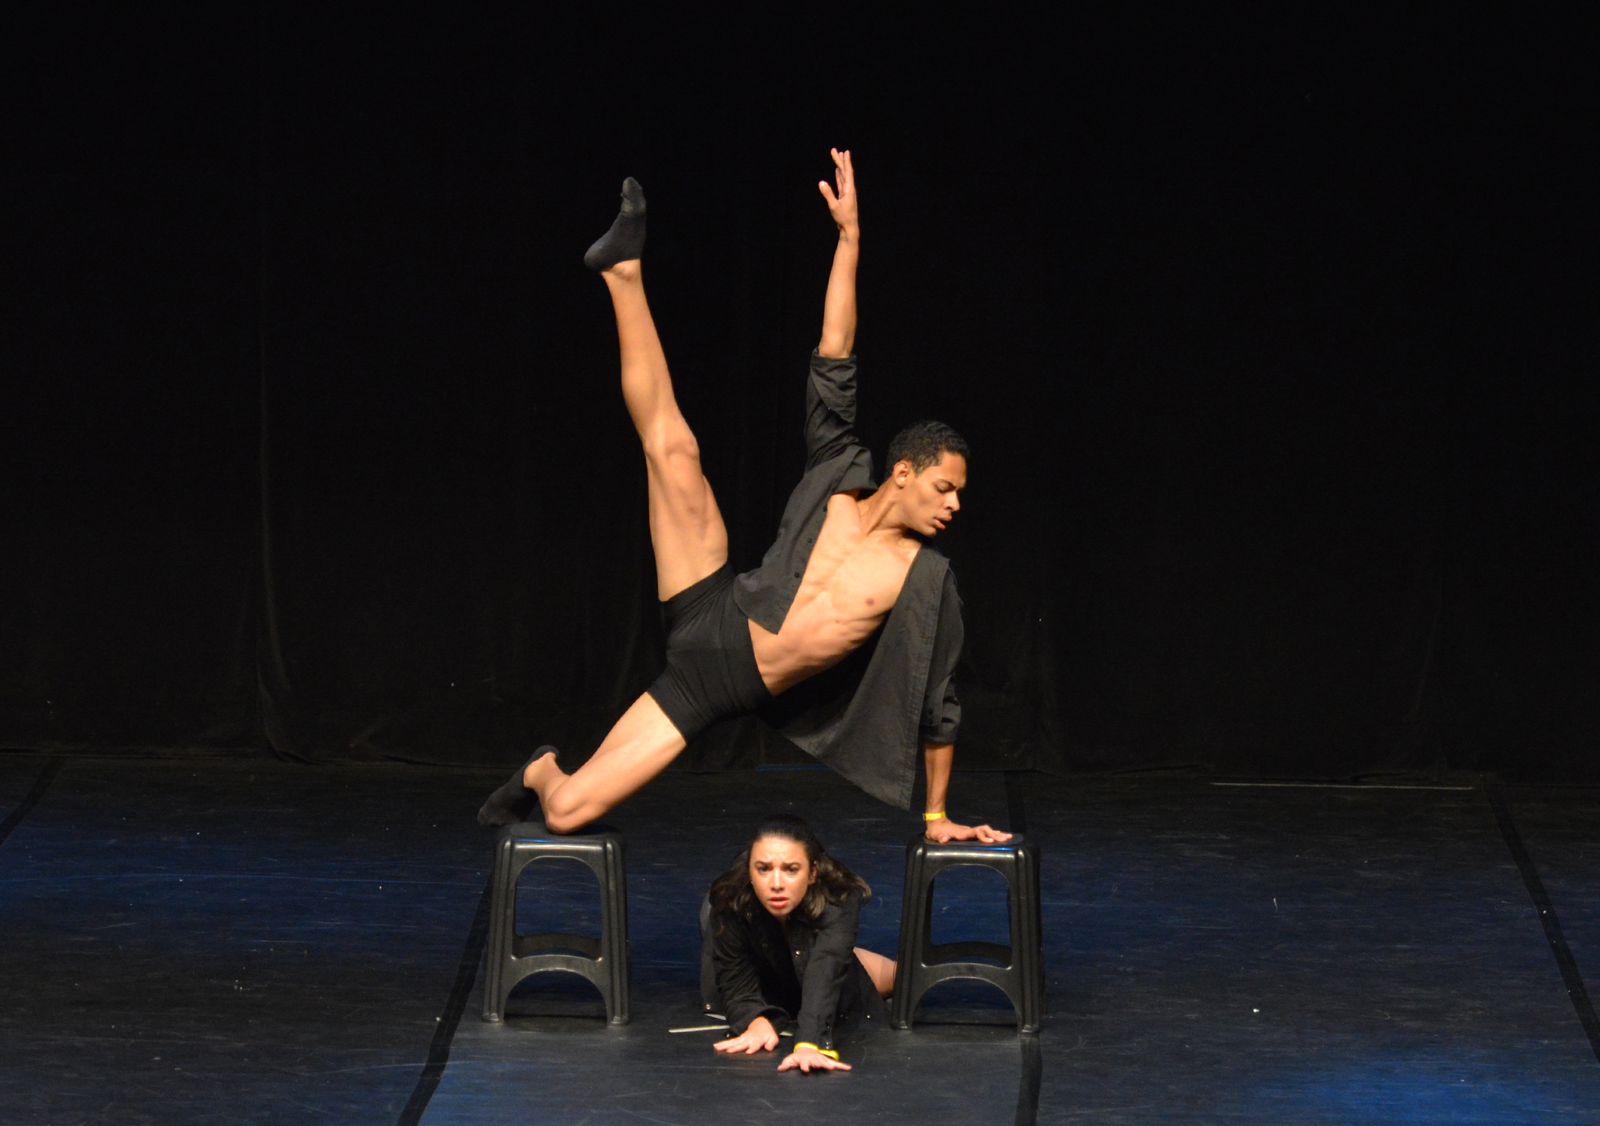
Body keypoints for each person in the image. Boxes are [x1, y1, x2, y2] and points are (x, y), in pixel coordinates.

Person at [478, 149, 1009, 845]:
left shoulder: (926, 578)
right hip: (711, 601)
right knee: (672, 448)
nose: (954, 506)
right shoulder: (840, 471)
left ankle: (542, 769)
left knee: (568, 811)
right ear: (903, 473)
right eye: (945, 488)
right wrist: (849, 239)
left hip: (710, 689)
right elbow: (835, 352)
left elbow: (940, 701)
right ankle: (622, 273)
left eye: (959, 496)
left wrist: (936, 817)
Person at [701, 814, 892, 1073]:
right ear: (750, 872)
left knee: (898, 979)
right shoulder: (730, 897)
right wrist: (755, 1019)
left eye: (791, 870)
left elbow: (827, 968)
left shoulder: (838, 898)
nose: (776, 884)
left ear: (812, 873)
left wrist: (809, 1044)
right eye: (763, 869)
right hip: (767, 974)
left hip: (817, 961)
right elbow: (735, 977)